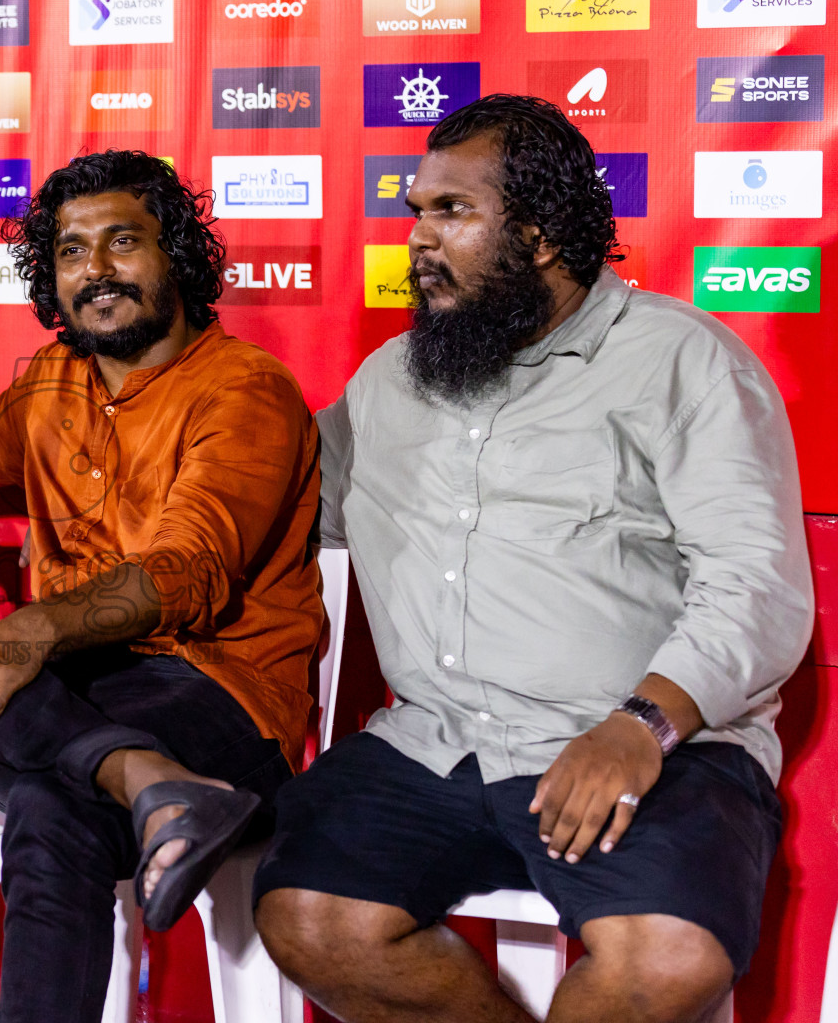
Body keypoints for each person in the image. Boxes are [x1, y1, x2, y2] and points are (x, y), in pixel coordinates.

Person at [251, 94, 813, 1023]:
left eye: (452, 212)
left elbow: (755, 585)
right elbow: (282, 506)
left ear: (542, 237)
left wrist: (641, 727)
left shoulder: (686, 361)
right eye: (415, 213)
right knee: (308, 918)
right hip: (435, 743)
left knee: (664, 961)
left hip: (644, 742)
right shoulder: (390, 379)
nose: (418, 240)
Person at [0, 149, 322, 1023]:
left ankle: (141, 775)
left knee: (52, 803)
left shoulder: (246, 390)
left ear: (180, 256)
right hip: (74, 692)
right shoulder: (54, 387)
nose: (95, 271)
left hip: (220, 697)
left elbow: (189, 571)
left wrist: (25, 633)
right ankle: (143, 780)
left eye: (122, 242)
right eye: (70, 251)